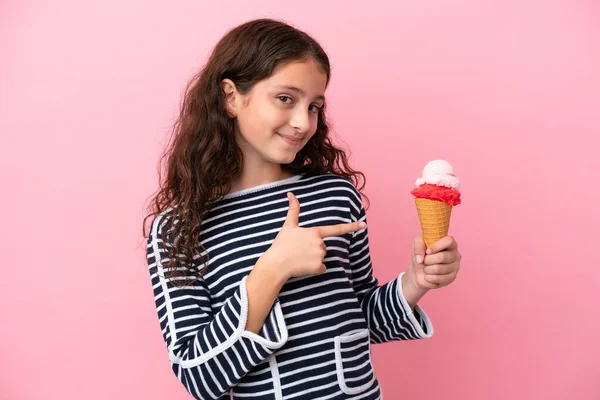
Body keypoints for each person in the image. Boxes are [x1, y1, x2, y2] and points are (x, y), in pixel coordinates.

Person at [143, 18, 462, 400]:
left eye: (314, 106)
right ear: (231, 97)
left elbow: (359, 316)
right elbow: (199, 377)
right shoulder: (176, 230)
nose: (302, 122)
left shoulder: (335, 195)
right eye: (285, 99)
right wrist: (273, 268)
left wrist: (416, 281)